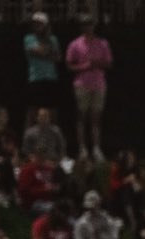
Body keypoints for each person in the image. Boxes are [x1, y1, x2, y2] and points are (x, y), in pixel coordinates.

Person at [65, 13, 113, 161]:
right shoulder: (75, 44)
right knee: (81, 116)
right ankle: (82, 148)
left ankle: (96, 148)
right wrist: (84, 66)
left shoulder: (103, 43)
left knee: (96, 117)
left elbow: (109, 64)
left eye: (90, 24)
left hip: (99, 84)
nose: (88, 27)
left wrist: (96, 63)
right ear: (81, 27)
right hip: (81, 85)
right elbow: (69, 66)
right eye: (85, 24)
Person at [23, 12, 62, 126]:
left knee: (53, 110)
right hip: (36, 78)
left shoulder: (53, 39)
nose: (37, 26)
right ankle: (28, 139)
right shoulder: (28, 38)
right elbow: (39, 52)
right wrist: (48, 52)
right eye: (35, 24)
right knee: (32, 110)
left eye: (40, 24)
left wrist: (45, 51)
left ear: (46, 25)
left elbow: (58, 58)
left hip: (51, 78)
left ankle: (54, 139)